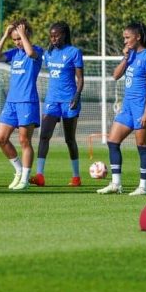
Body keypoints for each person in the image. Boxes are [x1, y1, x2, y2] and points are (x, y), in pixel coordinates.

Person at [97, 22, 146, 195]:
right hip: (128, 106)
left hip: (142, 107)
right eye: (124, 38)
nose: (125, 41)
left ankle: (143, 186)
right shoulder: (130, 55)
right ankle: (116, 184)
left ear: (138, 37)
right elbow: (115, 75)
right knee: (113, 141)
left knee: (142, 146)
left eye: (127, 37)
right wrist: (125, 57)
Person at [0, 19, 44, 191]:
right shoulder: (14, 53)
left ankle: (26, 179)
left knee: (24, 140)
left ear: (27, 34)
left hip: (27, 102)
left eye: (19, 38)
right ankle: (19, 170)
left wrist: (22, 34)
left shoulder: (36, 51)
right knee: (0, 138)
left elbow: (30, 53)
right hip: (11, 102)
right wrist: (5, 35)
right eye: (14, 40)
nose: (17, 42)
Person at [31, 21, 84, 187]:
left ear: (64, 35)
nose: (53, 39)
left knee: (69, 139)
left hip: (69, 100)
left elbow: (80, 78)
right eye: (51, 36)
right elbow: (33, 53)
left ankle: (76, 176)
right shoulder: (48, 53)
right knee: (44, 136)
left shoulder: (74, 52)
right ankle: (39, 175)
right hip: (52, 101)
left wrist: (77, 95)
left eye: (56, 35)